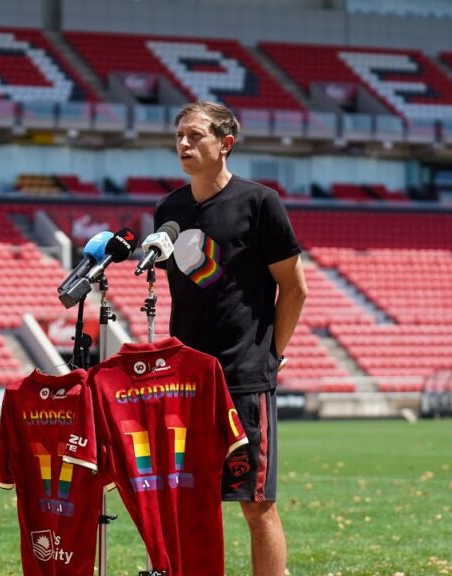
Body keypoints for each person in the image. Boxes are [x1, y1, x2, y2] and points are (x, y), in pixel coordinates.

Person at [153, 101, 307, 576]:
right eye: (179, 135)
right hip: (183, 380)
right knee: (185, 501)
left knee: (256, 504)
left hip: (241, 377)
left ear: (225, 144)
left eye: (195, 136)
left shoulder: (260, 203)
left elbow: (294, 288)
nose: (183, 144)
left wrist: (272, 354)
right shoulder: (169, 210)